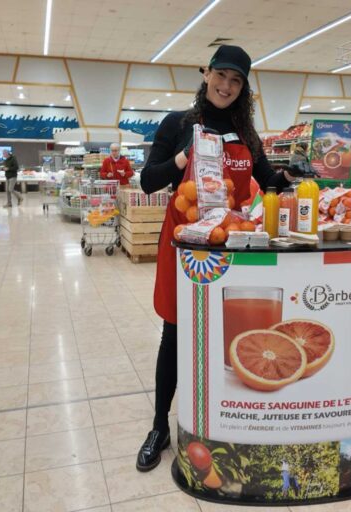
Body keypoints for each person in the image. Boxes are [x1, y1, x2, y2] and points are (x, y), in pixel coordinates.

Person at [135, 45, 305, 472]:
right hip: (187, 246)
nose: (226, 86)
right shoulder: (177, 123)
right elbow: (148, 180)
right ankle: (159, 426)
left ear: (243, 88)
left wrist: (288, 175)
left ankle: (225, 417)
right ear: (206, 73)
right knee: (175, 333)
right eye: (221, 76)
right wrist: (183, 157)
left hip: (233, 246)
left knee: (230, 332)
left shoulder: (245, 132)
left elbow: (266, 180)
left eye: (236, 80)